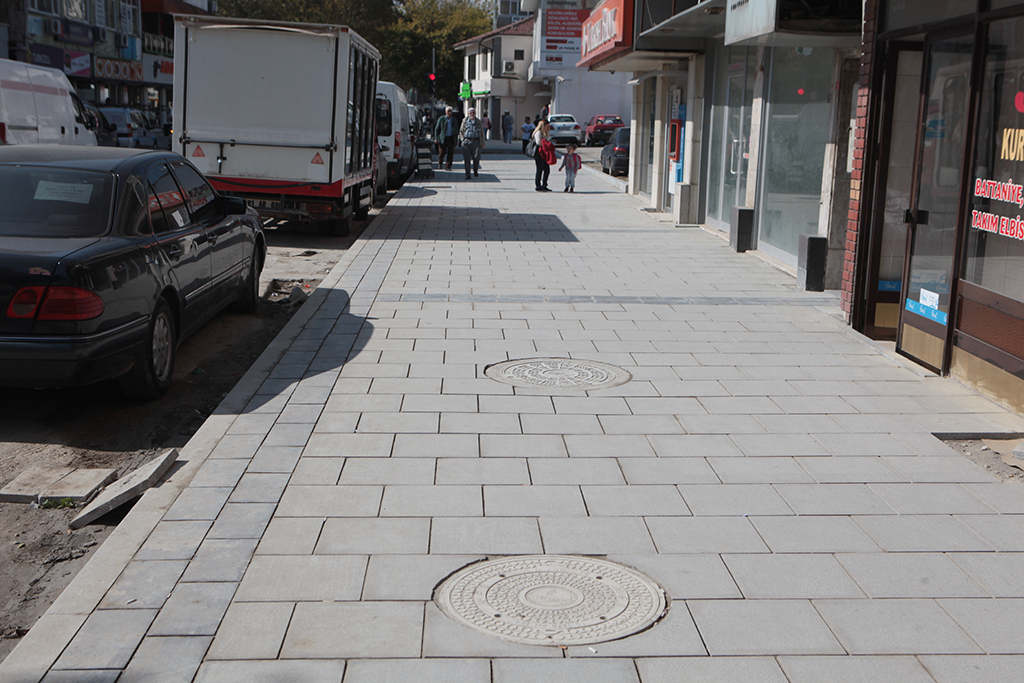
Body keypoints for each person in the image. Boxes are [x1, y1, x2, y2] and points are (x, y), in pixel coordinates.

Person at [460, 107, 484, 179]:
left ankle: (475, 170)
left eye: (473, 113)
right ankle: (468, 175)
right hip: (467, 142)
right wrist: (462, 140)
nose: (472, 114)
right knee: (467, 159)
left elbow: (482, 132)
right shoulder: (465, 121)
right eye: (470, 113)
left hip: (476, 141)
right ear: (468, 114)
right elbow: (461, 131)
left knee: (476, 158)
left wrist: (482, 142)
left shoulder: (478, 122)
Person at [532, 117, 554, 192]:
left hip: (544, 153)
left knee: (547, 169)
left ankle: (544, 184)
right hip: (539, 153)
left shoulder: (545, 133)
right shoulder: (538, 132)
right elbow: (538, 142)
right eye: (547, 126)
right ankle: (538, 185)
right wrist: (546, 144)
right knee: (539, 169)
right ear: (543, 125)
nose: (548, 128)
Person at [433, 106, 457, 171]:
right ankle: (440, 163)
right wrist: (436, 138)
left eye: (450, 111)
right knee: (442, 152)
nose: (449, 113)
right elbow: (437, 129)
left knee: (450, 153)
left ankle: (448, 166)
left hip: (451, 138)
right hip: (443, 138)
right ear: (445, 112)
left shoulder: (454, 119)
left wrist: (456, 140)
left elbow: (456, 131)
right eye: (448, 111)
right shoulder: (441, 119)